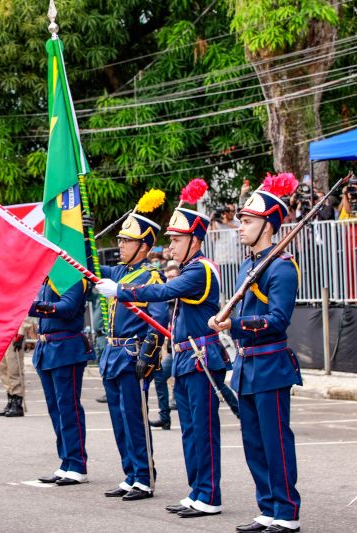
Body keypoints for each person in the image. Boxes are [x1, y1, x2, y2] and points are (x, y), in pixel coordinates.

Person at [98, 206, 231, 519]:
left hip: (201, 357)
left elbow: (164, 291)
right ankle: (197, 491)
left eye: (175, 240)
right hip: (186, 357)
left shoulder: (200, 269)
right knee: (189, 430)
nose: (169, 246)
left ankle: (210, 494)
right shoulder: (189, 268)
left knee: (202, 429)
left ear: (194, 241)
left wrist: (120, 290)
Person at [209, 188, 303, 533]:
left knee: (275, 442)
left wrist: (234, 323)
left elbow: (278, 320)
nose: (239, 227)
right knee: (253, 442)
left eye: (247, 221)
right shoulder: (249, 265)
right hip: (246, 365)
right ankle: (267, 507)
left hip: (270, 365)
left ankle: (287, 512)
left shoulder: (281, 267)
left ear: (267, 225)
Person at [96, 211, 170, 501]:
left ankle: (144, 477)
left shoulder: (152, 276)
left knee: (135, 418)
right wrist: (88, 236)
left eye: (128, 241)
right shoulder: (120, 273)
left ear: (144, 246)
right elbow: (90, 267)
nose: (121, 245)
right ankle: (130, 474)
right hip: (113, 354)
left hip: (132, 353)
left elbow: (159, 318)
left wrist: (150, 354)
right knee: (119, 418)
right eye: (121, 240)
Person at [30, 277, 94, 487]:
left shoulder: (73, 278)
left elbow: (66, 308)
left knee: (69, 408)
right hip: (47, 350)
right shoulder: (49, 280)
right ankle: (66, 461)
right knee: (56, 409)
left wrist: (31, 307)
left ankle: (77, 464)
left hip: (65, 348)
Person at [151, 263, 180, 429]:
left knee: (219, 385)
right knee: (160, 376)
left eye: (173, 277)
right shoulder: (167, 303)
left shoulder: (185, 298)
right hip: (173, 350)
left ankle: (239, 411)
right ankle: (164, 417)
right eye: (167, 277)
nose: (170, 280)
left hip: (193, 349)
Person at [0, 318, 35, 418]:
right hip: (2, 330)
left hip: (14, 330)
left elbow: (25, 311)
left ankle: (17, 402)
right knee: (4, 369)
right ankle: (10, 399)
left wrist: (21, 332)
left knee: (14, 368)